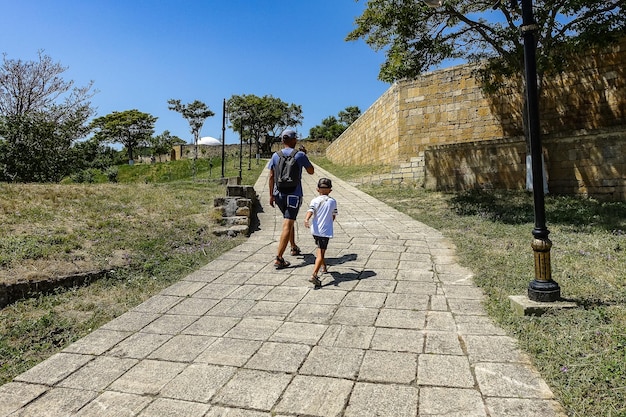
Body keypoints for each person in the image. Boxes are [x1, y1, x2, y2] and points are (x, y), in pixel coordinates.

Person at [268, 129, 314, 269]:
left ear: (282, 140)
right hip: (294, 194)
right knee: (288, 224)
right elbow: (311, 171)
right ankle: (279, 258)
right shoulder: (299, 155)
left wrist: (271, 195)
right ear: (294, 140)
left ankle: (293, 247)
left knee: (289, 219)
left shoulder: (275, 156)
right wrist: (305, 156)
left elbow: (271, 176)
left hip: (279, 194)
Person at [303, 177, 337, 287]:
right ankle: (314, 275)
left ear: (318, 189)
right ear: (330, 190)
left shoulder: (314, 200)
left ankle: (324, 267)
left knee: (320, 250)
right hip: (325, 231)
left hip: (315, 230)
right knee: (320, 253)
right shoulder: (333, 202)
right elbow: (333, 216)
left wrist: (306, 219)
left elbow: (311, 211)